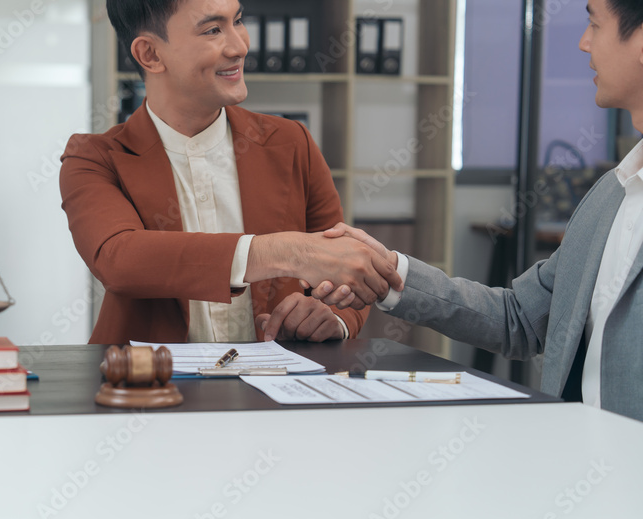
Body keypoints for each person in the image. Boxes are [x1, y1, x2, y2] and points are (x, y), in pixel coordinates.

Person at [313, 0, 643, 422]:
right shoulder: (611, 194)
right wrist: (389, 273)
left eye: (594, 24)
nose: (583, 43)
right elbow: (520, 318)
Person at [59, 0, 401, 345]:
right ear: (150, 54)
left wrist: (333, 317)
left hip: (275, 387)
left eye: (238, 21)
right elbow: (121, 260)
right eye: (212, 30)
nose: (240, 46)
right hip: (150, 387)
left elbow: (344, 267)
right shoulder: (94, 158)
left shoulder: (291, 142)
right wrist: (287, 251)